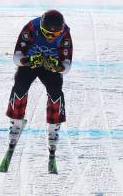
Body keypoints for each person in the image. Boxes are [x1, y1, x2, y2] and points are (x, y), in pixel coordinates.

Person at [4, 10, 72, 160]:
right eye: (47, 34)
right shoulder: (31, 28)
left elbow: (67, 65)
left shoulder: (65, 34)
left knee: (55, 91)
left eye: (54, 35)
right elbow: (16, 56)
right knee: (20, 86)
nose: (50, 38)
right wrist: (27, 61)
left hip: (50, 65)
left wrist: (57, 67)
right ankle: (16, 122)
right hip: (31, 62)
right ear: (40, 28)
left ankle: (53, 128)